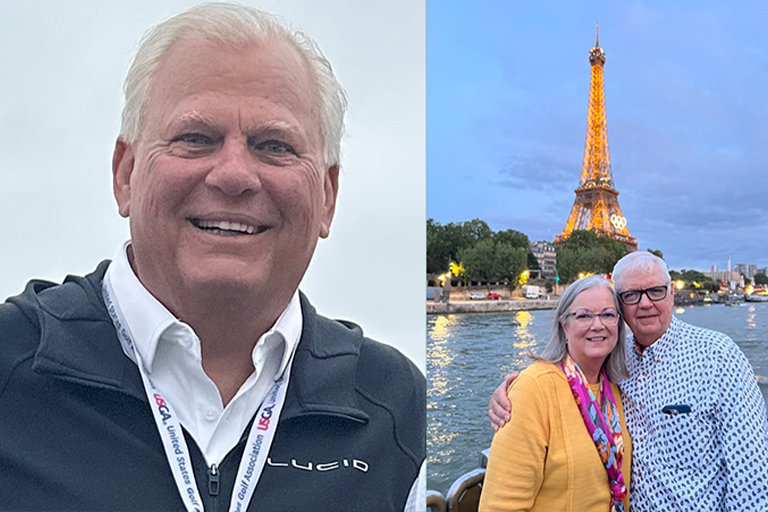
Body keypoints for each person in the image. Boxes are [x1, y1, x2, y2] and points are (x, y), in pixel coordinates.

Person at [0, 4, 424, 511]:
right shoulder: (11, 368)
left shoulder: (397, 406)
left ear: (328, 197)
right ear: (125, 175)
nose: (234, 175)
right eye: (195, 139)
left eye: (275, 146)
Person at [489, 251, 768, 511]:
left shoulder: (717, 355)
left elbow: (751, 472)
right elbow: (558, 377)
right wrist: (518, 392)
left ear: (671, 293)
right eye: (632, 295)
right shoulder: (615, 362)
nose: (645, 303)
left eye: (655, 291)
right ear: (621, 306)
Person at [479, 275, 631, 512]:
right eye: (584, 315)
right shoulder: (533, 389)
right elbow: (500, 506)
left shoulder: (615, 387)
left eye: (608, 314)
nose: (597, 324)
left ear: (619, 325)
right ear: (564, 325)